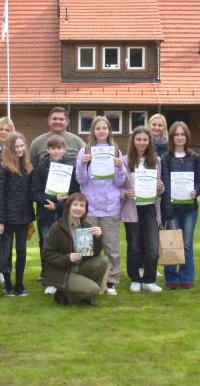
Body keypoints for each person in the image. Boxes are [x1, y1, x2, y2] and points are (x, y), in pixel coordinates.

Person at [75, 116, 126, 295]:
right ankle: (85, 278)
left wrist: (120, 168)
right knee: (85, 246)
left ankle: (111, 281)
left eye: (105, 128)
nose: (102, 131)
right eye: (98, 128)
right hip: (89, 207)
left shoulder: (116, 152)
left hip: (110, 207)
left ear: (109, 131)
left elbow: (120, 183)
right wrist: (82, 165)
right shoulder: (85, 151)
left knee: (111, 246)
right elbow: (80, 180)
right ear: (93, 131)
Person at [30, 134, 80, 294]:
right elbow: (35, 193)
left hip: (63, 215)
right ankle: (50, 279)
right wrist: (51, 200)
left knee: (65, 247)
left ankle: (64, 278)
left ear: (64, 150)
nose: (56, 151)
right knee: (48, 247)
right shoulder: (40, 168)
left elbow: (74, 193)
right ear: (48, 149)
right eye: (53, 148)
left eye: (59, 148)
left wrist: (58, 205)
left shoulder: (70, 169)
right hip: (45, 216)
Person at [42, 193, 110, 306]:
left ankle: (73, 294)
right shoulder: (57, 227)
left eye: (82, 205)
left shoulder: (86, 227)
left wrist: (98, 238)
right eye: (75, 204)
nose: (78, 208)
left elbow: (93, 254)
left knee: (104, 261)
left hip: (79, 268)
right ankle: (66, 295)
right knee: (94, 289)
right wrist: (67, 258)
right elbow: (47, 253)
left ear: (85, 210)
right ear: (68, 207)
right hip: (63, 273)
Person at [160, 121, 200, 289]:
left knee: (187, 243)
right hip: (172, 209)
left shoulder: (195, 158)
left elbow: (199, 181)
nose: (179, 137)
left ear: (187, 137)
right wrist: (167, 209)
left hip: (190, 209)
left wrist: (196, 191)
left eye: (182, 134)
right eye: (176, 134)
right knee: (172, 242)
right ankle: (171, 277)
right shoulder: (165, 159)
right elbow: (165, 183)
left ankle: (186, 277)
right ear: (171, 137)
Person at [121, 126, 164, 293]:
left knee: (152, 247)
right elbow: (118, 185)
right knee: (134, 246)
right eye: (138, 139)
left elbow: (161, 186)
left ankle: (149, 279)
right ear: (133, 141)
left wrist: (161, 187)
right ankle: (135, 278)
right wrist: (125, 193)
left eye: (145, 139)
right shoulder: (125, 161)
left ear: (149, 142)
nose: (141, 142)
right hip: (132, 208)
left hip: (150, 209)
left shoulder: (157, 161)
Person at [0, 132, 35, 297]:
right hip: (8, 218)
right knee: (6, 252)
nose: (20, 149)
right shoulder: (2, 166)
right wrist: (0, 221)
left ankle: (19, 284)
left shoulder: (28, 166)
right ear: (10, 148)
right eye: (16, 146)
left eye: (22, 145)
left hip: (24, 217)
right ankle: (8, 285)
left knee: (22, 250)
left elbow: (31, 192)